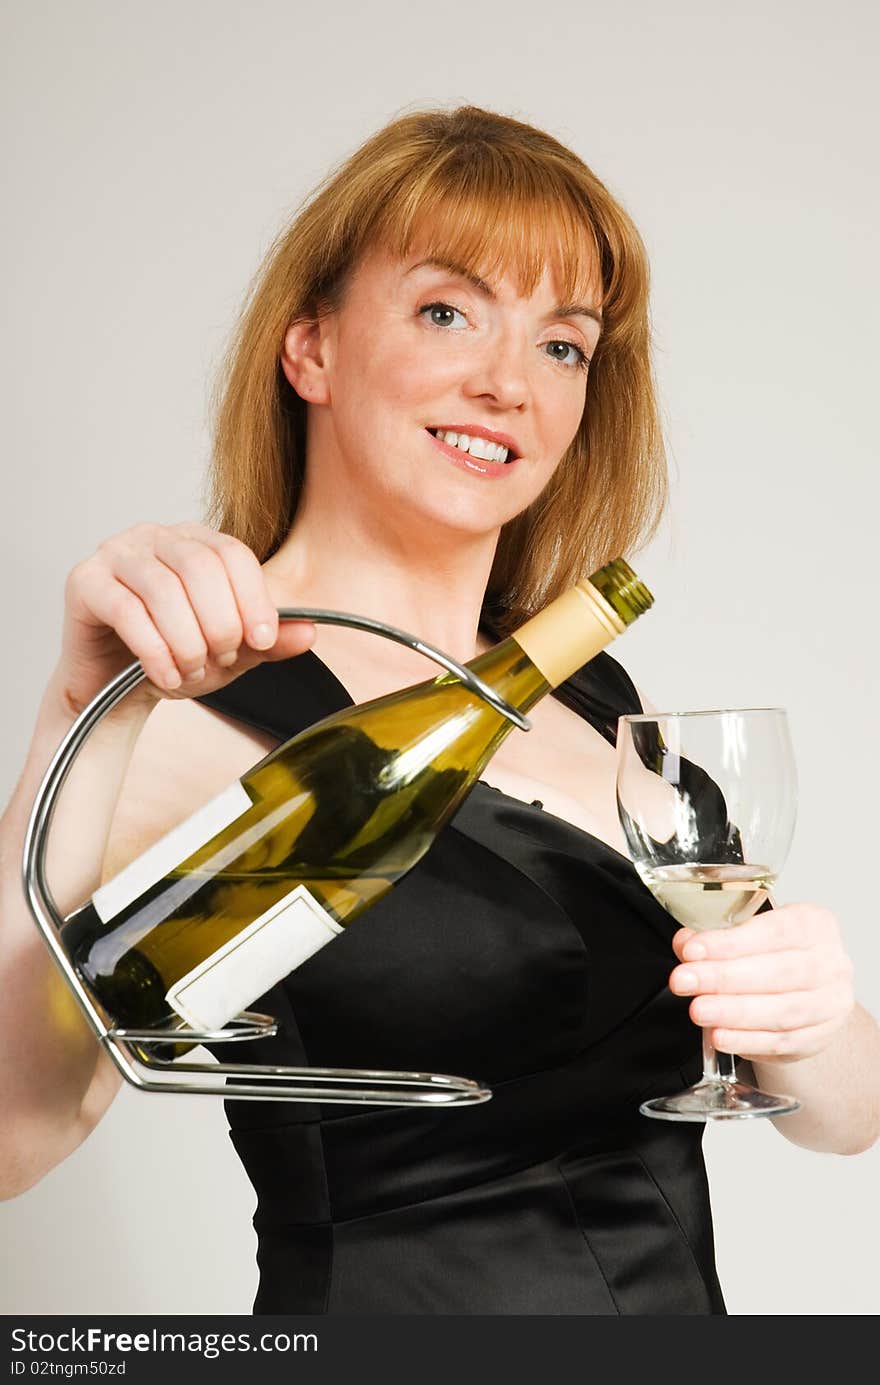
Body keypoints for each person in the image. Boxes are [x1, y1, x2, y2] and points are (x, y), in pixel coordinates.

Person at [1, 106, 877, 1315]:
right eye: (446, 311)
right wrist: (75, 715)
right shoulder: (200, 717)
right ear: (309, 350)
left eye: (562, 344)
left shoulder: (601, 697)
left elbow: (843, 1115)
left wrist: (815, 1015)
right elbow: (10, 1139)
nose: (506, 383)